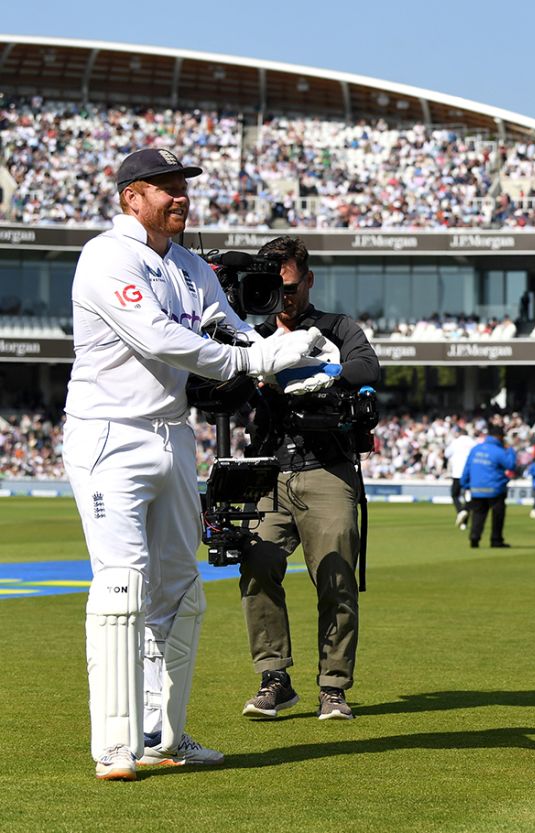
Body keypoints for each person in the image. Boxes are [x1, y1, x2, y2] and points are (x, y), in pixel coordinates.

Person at [64, 148, 324, 780]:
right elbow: (156, 336)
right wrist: (252, 363)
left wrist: (294, 365)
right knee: (122, 586)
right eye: (166, 187)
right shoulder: (106, 256)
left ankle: (165, 734)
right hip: (108, 435)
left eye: (183, 186)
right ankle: (114, 747)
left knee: (180, 593)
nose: (180, 196)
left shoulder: (188, 266)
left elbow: (232, 330)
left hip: (172, 437)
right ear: (131, 196)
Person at [238, 235, 381, 722]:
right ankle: (274, 678)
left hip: (327, 467)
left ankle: (334, 688)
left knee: (336, 577)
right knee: (256, 567)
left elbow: (368, 367)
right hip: (268, 470)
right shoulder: (251, 335)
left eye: (292, 287)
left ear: (309, 280)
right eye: (275, 288)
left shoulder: (337, 326)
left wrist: (326, 369)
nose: (285, 298)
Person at [461, 421, 516, 549]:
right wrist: (511, 450)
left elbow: (467, 468)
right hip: (495, 489)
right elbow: (511, 465)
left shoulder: (475, 449)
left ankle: (474, 538)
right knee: (497, 515)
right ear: (500, 437)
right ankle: (496, 540)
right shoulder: (499, 451)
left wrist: (465, 484)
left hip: (476, 488)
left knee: (478, 514)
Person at [446, 427, 478, 529]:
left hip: (457, 473)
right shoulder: (474, 443)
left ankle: (461, 511)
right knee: (468, 497)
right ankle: (464, 522)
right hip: (470, 473)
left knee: (455, 495)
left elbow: (447, 454)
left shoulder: (455, 442)